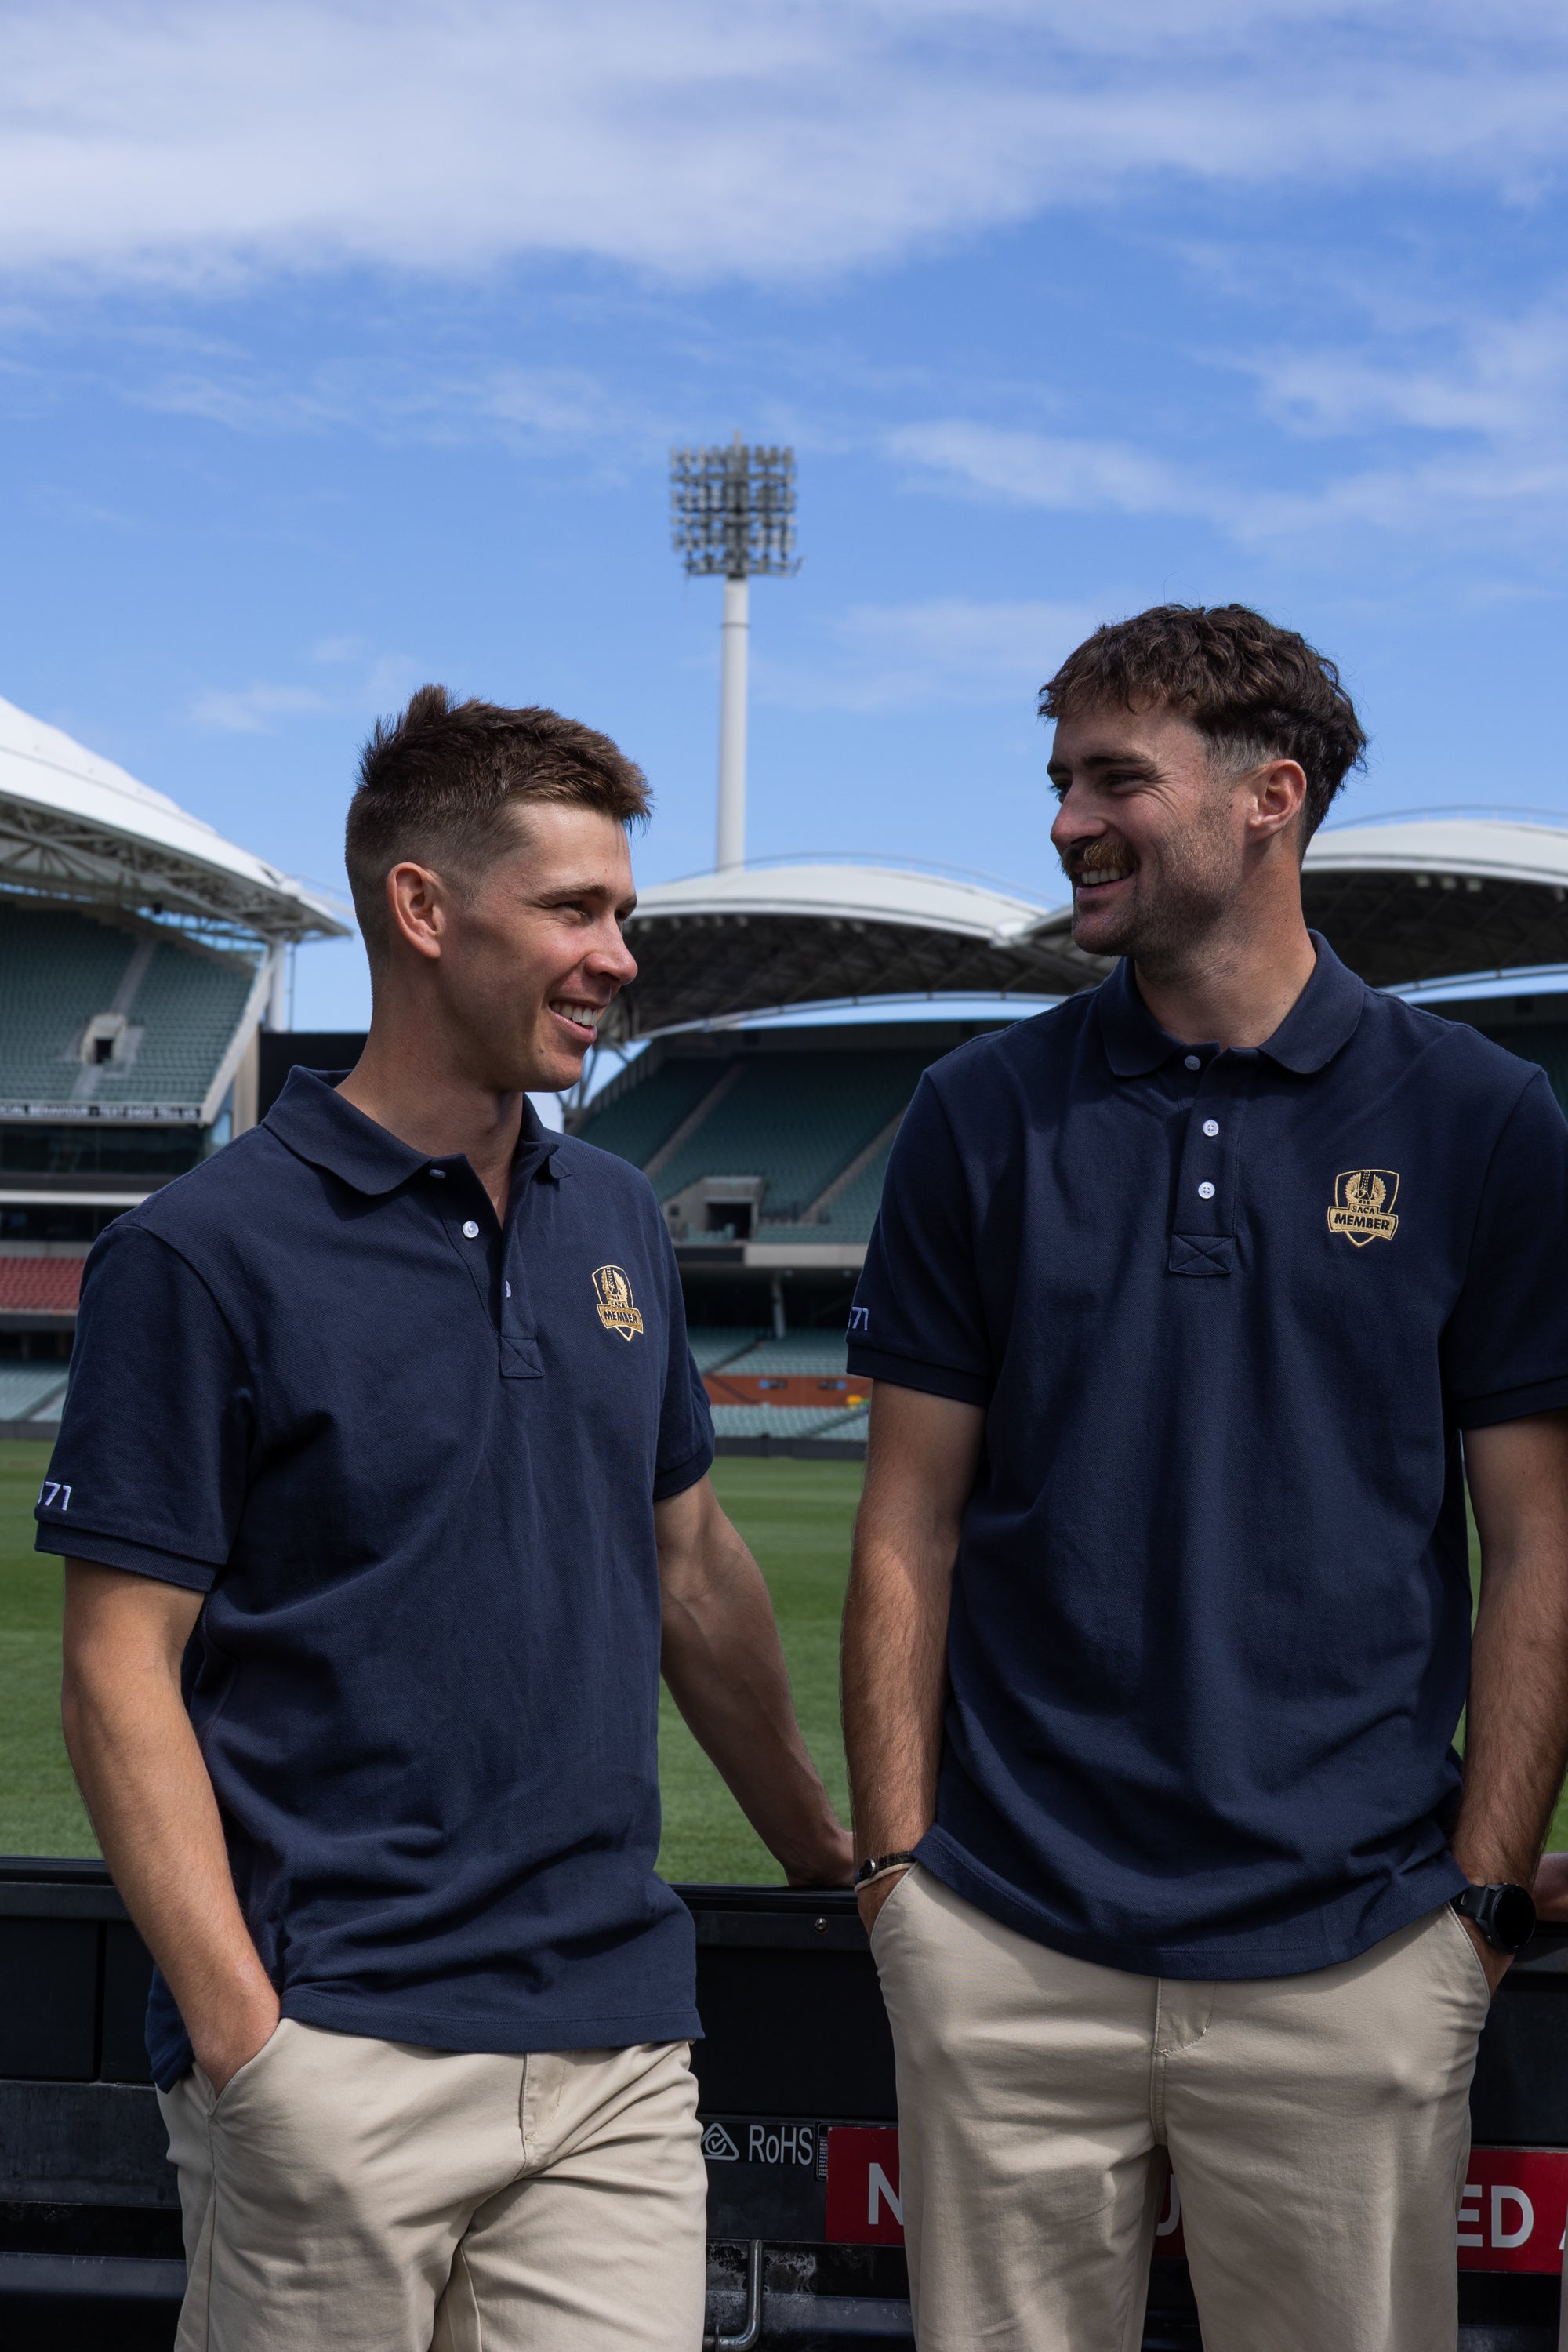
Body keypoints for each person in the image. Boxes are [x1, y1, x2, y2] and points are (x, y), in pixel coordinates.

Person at [42, 687, 851, 2352]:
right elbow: (119, 1673)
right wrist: (248, 2044)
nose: (618, 955)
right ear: (421, 910)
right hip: (335, 2054)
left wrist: (827, 1862)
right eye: (574, 909)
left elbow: (693, 1569)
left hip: (614, 2058)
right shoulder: (203, 1254)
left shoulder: (617, 1211)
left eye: (618, 911)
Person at [840, 604, 1568, 2352]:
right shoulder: (976, 1111)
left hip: (1353, 1951)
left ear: (1269, 801)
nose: (1067, 821)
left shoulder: (1479, 1120)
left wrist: (1472, 1904)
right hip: (1006, 1944)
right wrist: (895, 1883)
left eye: (1116, 781)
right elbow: (906, 1523)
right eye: (1059, 780)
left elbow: (1537, 1537)